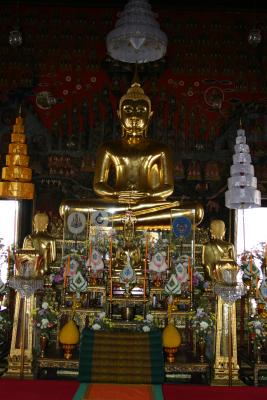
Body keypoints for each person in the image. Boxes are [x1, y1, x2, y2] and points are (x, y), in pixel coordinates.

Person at [60, 79, 204, 227]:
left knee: (195, 211)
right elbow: (98, 184)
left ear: (149, 115)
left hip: (148, 204)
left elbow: (168, 187)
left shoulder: (160, 149)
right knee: (67, 208)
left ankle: (118, 220)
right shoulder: (109, 147)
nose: (134, 116)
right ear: (119, 114)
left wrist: (147, 195)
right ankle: (138, 220)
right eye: (128, 110)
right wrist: (117, 195)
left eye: (141, 111)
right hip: (117, 204)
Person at [202, 219, 239, 285]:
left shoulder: (205, 245)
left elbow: (205, 264)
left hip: (210, 282)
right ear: (224, 231)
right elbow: (233, 266)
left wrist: (213, 279)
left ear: (211, 231)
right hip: (226, 281)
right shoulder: (230, 246)